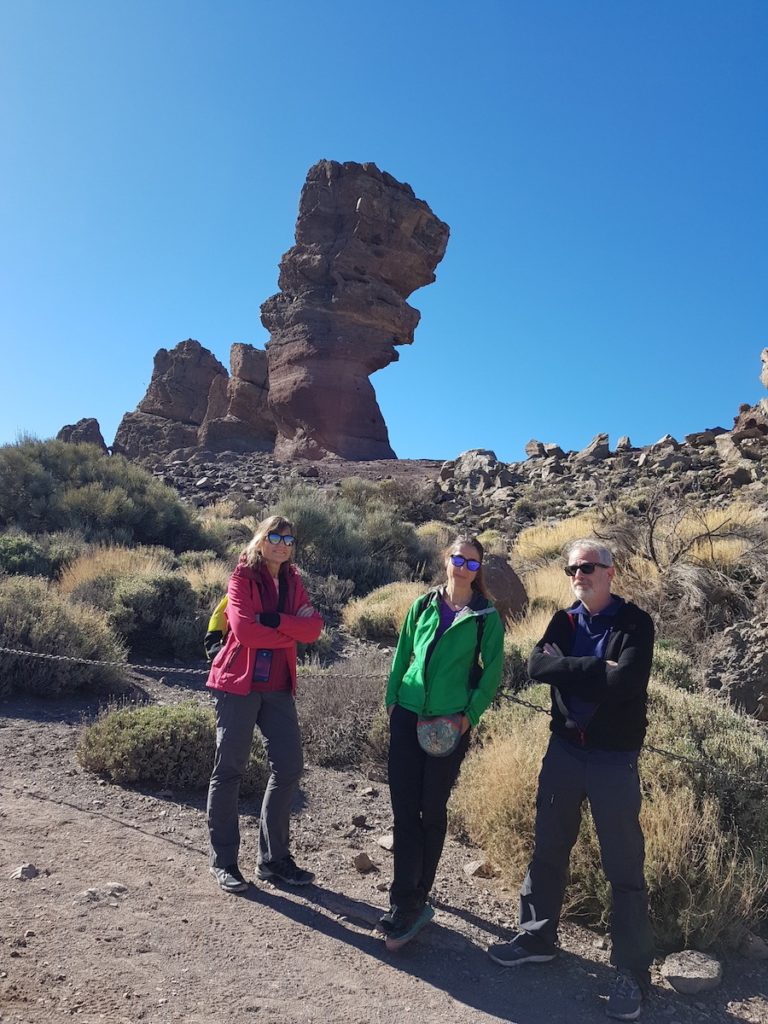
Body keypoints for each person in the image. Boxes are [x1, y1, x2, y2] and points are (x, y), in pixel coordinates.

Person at [487, 539, 655, 1021]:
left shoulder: (634, 623)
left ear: (610, 572)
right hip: (564, 751)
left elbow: (627, 683)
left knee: (624, 865)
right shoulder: (564, 619)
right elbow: (536, 665)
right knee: (548, 847)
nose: (578, 575)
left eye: (587, 567)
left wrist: (570, 670)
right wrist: (593, 668)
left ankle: (632, 971)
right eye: (571, 568)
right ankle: (537, 936)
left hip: (612, 759)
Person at [380, 535, 504, 948]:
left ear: (479, 569)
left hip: (449, 725)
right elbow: (402, 655)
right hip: (408, 715)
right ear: (446, 560)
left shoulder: (486, 616)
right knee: (403, 811)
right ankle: (402, 899)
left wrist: (469, 716)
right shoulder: (423, 605)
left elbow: (492, 674)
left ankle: (419, 896)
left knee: (431, 810)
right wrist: (393, 700)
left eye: (472, 563)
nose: (463, 567)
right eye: (458, 559)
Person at [206, 515, 323, 893]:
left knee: (289, 767)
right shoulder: (242, 578)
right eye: (274, 536)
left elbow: (314, 629)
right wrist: (289, 630)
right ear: (260, 540)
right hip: (237, 685)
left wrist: (272, 619)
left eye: (288, 539)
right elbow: (243, 630)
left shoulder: (294, 580)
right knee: (229, 770)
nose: (281, 544)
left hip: (277, 686)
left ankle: (273, 860)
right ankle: (224, 862)